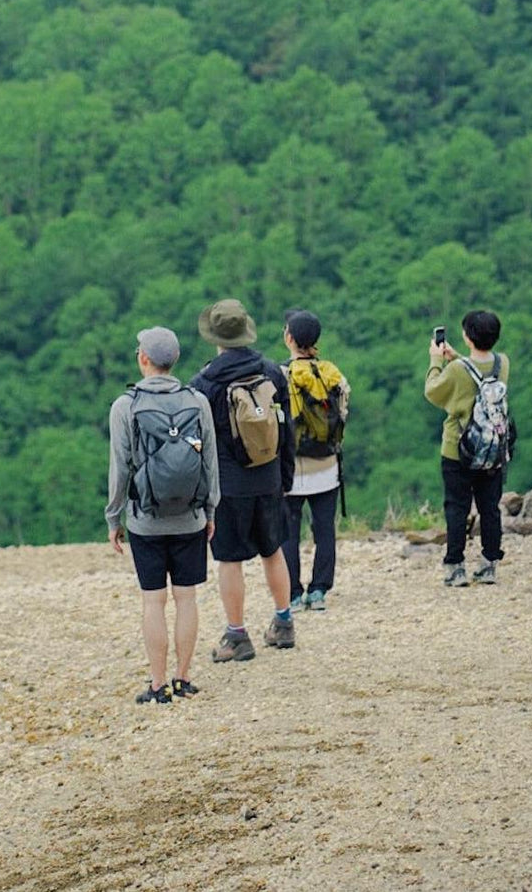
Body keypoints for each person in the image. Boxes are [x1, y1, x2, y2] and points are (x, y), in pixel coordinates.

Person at [106, 326, 219, 704]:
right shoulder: (197, 401)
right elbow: (209, 463)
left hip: (145, 520)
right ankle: (183, 678)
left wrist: (113, 518)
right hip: (190, 517)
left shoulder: (126, 406)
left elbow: (120, 468)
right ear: (175, 361)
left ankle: (157, 685)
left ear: (143, 359)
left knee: (153, 601)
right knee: (186, 598)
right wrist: (210, 510)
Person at [189, 298, 297, 661]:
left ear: (215, 337)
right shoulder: (271, 372)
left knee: (230, 561)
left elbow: (198, 444)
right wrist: (285, 476)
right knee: (273, 550)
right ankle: (284, 623)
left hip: (229, 487)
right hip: (268, 479)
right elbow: (287, 429)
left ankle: (237, 635)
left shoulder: (205, 383)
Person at [424, 310, 510, 587]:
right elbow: (479, 375)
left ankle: (455, 566)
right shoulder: (502, 363)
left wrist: (436, 361)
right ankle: (489, 564)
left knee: (457, 507)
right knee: (490, 507)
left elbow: (433, 390)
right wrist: (457, 357)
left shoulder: (456, 371)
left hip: (458, 449)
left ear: (467, 336)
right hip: (493, 449)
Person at [280, 308, 350, 613]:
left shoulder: (280, 375)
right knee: (324, 531)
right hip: (327, 467)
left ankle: (292, 594)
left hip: (291, 470)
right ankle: (319, 590)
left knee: (288, 534)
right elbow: (342, 415)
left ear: (289, 338)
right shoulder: (333, 374)